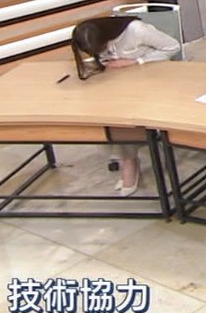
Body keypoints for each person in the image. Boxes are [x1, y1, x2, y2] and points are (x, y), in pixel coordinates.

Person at [70, 16, 181, 196]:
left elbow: (172, 47)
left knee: (123, 114)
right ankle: (124, 157)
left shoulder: (137, 30)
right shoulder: (91, 39)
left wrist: (135, 61)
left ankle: (128, 162)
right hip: (121, 84)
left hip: (152, 80)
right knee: (98, 110)